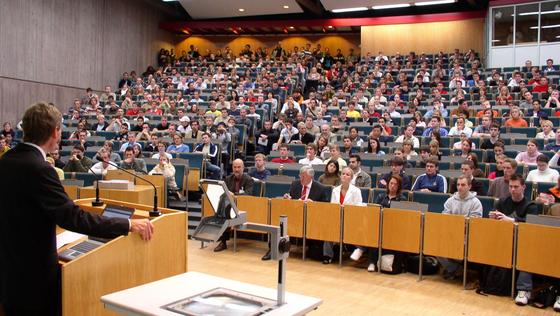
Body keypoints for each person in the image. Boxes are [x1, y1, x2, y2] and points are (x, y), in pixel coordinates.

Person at [0, 102, 153, 315]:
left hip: (9, 272)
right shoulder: (40, 169)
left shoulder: (6, 160)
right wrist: (127, 224)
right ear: (55, 131)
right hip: (33, 280)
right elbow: (72, 218)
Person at [489, 175, 538, 306]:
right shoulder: (502, 202)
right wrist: (493, 218)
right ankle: (490, 283)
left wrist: (510, 220)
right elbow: (497, 224)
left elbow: (531, 226)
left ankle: (524, 289)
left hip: (524, 241)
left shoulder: (531, 205)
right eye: (510, 187)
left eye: (516, 187)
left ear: (523, 187)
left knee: (526, 253)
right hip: (503, 239)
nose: (513, 190)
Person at [439, 176, 482, 279]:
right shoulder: (450, 200)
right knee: (436, 244)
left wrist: (457, 221)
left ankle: (455, 269)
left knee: (461, 246)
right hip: (451, 233)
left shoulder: (476, 202)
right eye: (458, 185)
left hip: (468, 236)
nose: (460, 187)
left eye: (463, 185)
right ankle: (454, 268)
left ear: (469, 186)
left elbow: (475, 222)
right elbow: (445, 218)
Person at [213, 159, 254, 252]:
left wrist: (234, 195)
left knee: (226, 212)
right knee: (224, 210)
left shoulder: (248, 179)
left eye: (239, 167)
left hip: (244, 207)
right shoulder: (228, 179)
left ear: (243, 168)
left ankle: (223, 239)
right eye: (235, 167)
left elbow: (248, 194)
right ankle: (223, 242)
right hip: (230, 207)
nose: (236, 169)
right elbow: (224, 193)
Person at [323, 167, 362, 264]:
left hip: (351, 219)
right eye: (343, 174)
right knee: (329, 227)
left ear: (351, 178)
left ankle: (359, 249)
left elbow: (359, 207)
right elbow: (332, 206)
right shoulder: (335, 190)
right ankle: (328, 255)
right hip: (337, 218)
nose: (344, 176)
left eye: (347, 174)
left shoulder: (356, 191)